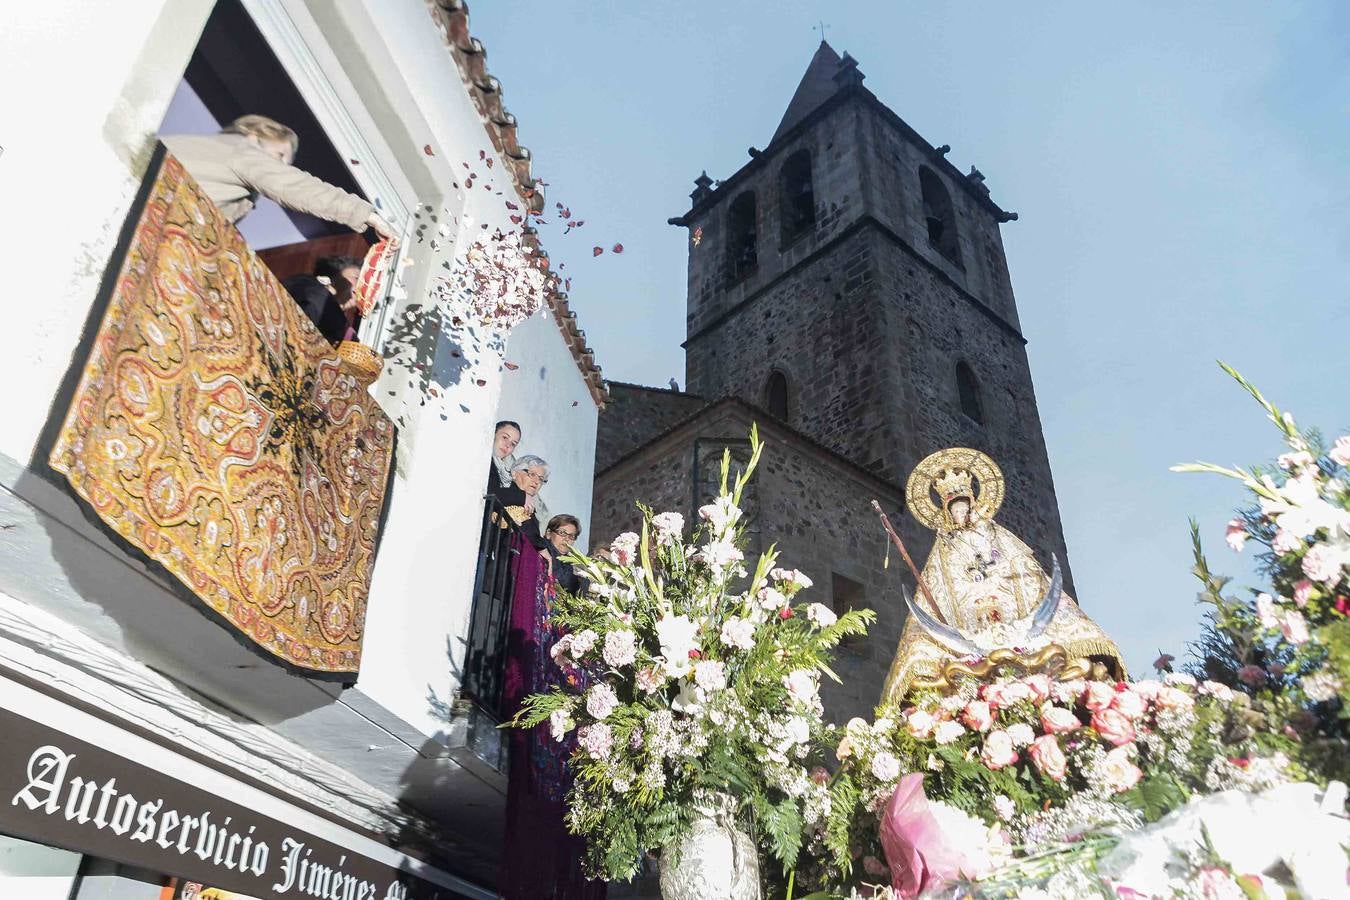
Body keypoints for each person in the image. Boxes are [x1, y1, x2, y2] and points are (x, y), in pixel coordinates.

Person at [880, 448, 1125, 703]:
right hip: (969, 639)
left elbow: (1027, 575)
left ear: (973, 504)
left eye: (964, 506)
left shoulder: (1001, 538)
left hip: (1023, 630)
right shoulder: (944, 554)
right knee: (931, 676)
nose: (960, 513)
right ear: (946, 511)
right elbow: (937, 589)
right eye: (954, 509)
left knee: (1076, 662)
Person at [497, 463, 605, 899]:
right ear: (553, 531)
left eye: (571, 538)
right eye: (562, 534)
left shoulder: (575, 570)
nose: (566, 541)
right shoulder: (541, 553)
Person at [162, 114, 394, 238]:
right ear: (255, 134)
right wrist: (366, 214)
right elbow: (295, 186)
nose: (281, 165)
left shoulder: (217, 150)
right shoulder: (244, 151)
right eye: (280, 155)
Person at [283, 255, 362, 345]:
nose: (361, 287)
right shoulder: (305, 284)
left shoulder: (341, 326)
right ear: (336, 275)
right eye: (356, 278)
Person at [542, 514, 583, 595]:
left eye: (571, 536)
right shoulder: (540, 553)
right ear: (548, 534)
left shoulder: (572, 566)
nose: (566, 539)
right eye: (562, 533)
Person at [487, 421, 521, 494]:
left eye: (513, 444)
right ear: (494, 433)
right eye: (505, 437)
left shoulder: (506, 474)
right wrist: (522, 497)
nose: (508, 445)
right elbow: (491, 492)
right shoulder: (484, 458)